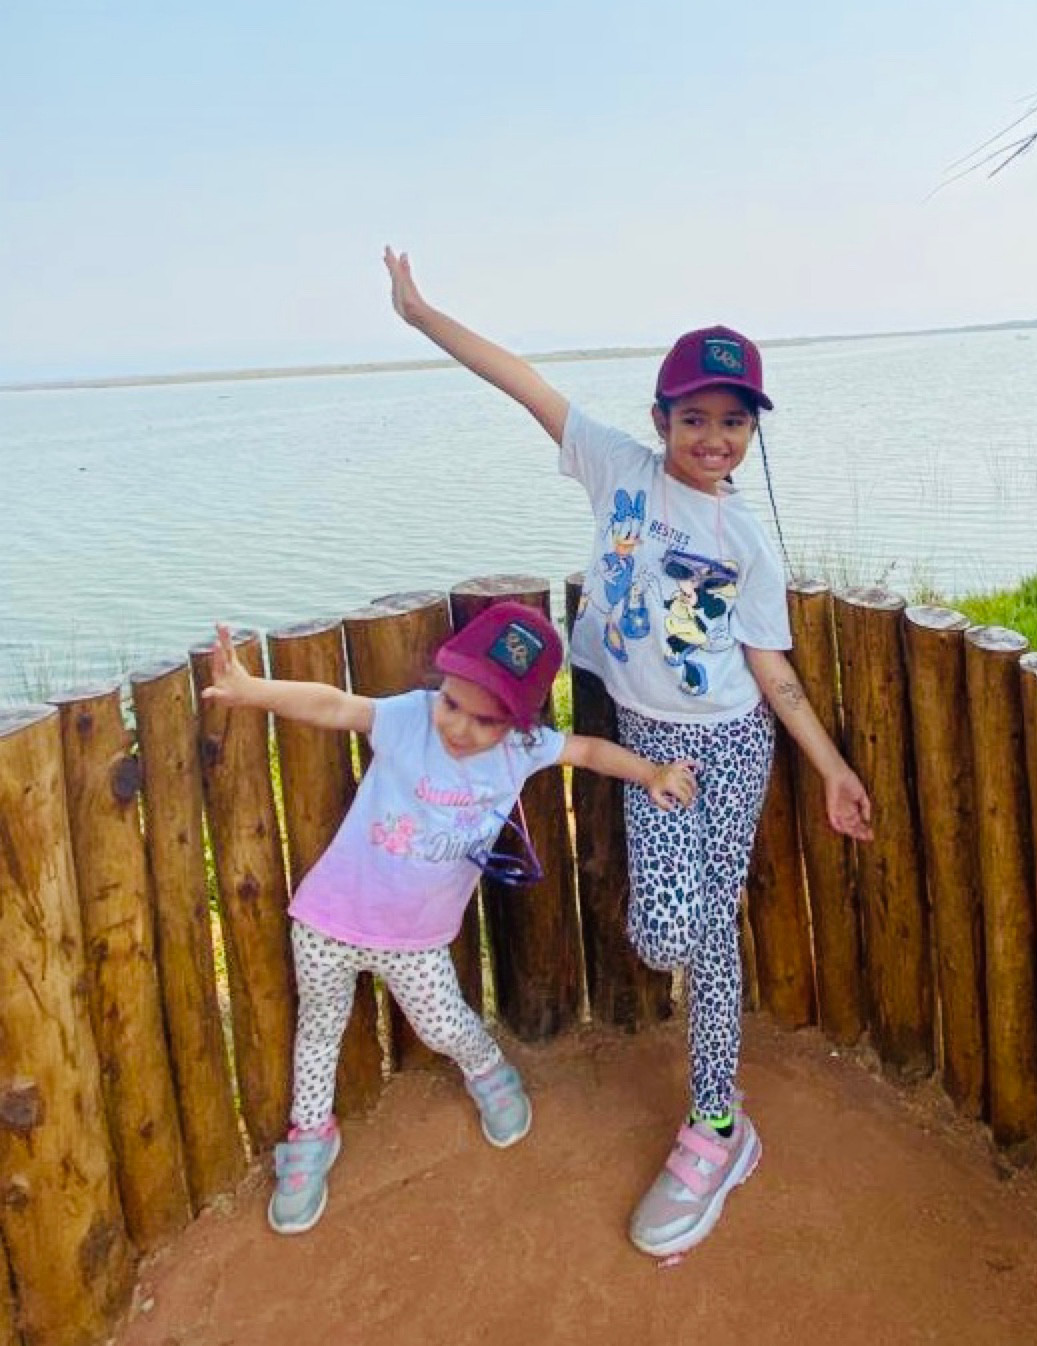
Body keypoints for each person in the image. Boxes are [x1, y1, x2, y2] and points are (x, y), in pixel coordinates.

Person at [382, 248, 875, 1259]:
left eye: (733, 420)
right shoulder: (616, 467)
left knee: (704, 931)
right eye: (693, 416)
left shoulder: (747, 543)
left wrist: (830, 767)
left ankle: (716, 1125)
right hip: (649, 743)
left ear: (751, 430)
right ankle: (719, 1116)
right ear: (659, 420)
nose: (713, 437)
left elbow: (770, 668)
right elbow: (523, 383)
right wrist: (424, 315)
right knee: (665, 933)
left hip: (731, 745)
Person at [201, 601, 696, 1235]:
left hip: (415, 939)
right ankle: (311, 1133)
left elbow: (590, 750)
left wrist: (651, 772)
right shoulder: (408, 718)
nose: (460, 727)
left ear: (518, 722)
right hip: (327, 919)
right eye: (452, 703)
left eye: (485, 720)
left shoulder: (523, 749)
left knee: (443, 1026)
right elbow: (333, 705)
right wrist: (252, 691)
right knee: (319, 1029)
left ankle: (487, 1068)